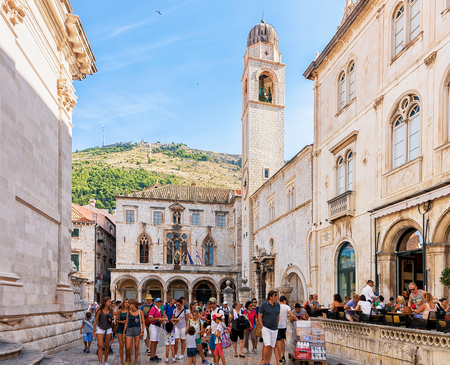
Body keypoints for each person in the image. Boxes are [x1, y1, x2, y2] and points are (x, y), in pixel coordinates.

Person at [259, 290, 280, 365]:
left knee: (271, 346)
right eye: (275, 296)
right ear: (270, 297)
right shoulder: (264, 305)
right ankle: (264, 361)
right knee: (267, 345)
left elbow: (278, 316)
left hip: (274, 328)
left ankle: (268, 362)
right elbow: (260, 316)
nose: (277, 297)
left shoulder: (277, 305)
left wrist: (276, 326)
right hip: (266, 327)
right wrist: (262, 326)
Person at [276, 296, 298, 364]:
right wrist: (298, 320)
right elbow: (292, 315)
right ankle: (283, 355)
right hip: (284, 326)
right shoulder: (286, 307)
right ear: (284, 300)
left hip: (277, 326)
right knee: (282, 340)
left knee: (278, 341)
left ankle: (279, 358)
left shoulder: (277, 306)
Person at [123, 299, 145, 365]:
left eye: (130, 304)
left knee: (136, 346)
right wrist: (124, 332)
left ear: (134, 305)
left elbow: (143, 322)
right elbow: (126, 322)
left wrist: (142, 331)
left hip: (137, 330)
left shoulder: (140, 312)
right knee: (128, 347)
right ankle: (129, 359)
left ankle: (135, 362)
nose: (129, 305)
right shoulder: (128, 312)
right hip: (129, 330)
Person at [93, 297, 113, 365]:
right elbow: (96, 321)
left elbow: (112, 319)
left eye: (110, 302)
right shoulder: (99, 311)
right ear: (104, 302)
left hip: (108, 328)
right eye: (109, 302)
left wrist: (111, 320)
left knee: (107, 345)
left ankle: (105, 360)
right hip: (100, 328)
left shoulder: (111, 310)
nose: (110, 303)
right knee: (100, 346)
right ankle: (100, 362)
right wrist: (94, 331)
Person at [148, 298, 167, 363]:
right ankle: (152, 356)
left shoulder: (159, 310)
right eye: (158, 302)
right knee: (153, 342)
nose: (159, 303)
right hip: (153, 326)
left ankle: (154, 355)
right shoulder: (153, 309)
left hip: (158, 326)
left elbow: (160, 318)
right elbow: (150, 319)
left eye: (160, 302)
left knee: (156, 342)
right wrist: (158, 318)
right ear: (155, 302)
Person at [209, 298, 224, 365]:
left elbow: (223, 322)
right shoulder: (211, 311)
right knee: (212, 348)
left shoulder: (219, 311)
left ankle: (216, 362)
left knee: (218, 350)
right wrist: (209, 329)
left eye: (213, 303)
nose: (211, 304)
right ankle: (215, 361)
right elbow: (212, 322)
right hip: (212, 332)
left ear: (216, 303)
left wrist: (219, 332)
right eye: (210, 303)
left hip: (217, 333)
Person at [115, 298, 130, 365]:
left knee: (127, 346)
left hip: (128, 329)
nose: (127, 303)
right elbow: (116, 320)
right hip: (120, 328)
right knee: (121, 345)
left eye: (128, 302)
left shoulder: (131, 311)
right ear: (123, 303)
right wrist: (122, 322)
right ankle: (121, 361)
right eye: (126, 302)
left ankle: (127, 359)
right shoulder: (120, 311)